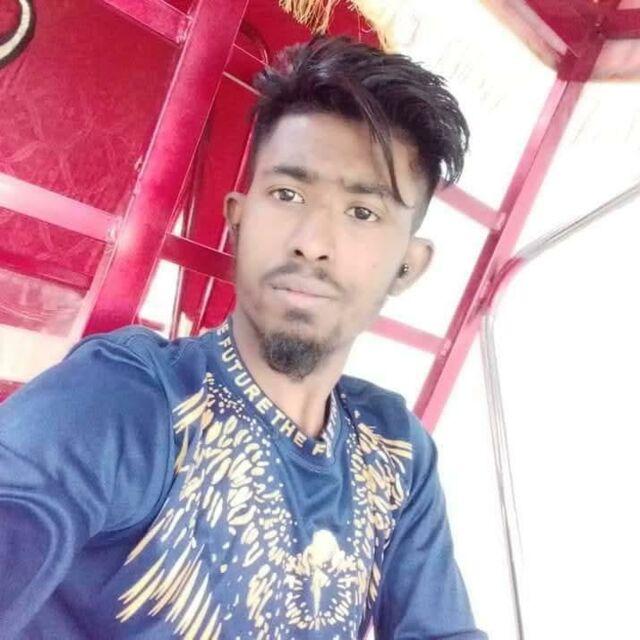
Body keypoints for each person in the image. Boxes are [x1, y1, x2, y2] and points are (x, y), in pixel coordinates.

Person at [0, 36, 486, 639]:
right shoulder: (126, 399)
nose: (312, 242)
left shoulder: (396, 449)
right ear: (238, 219)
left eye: (363, 212)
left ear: (408, 266)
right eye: (288, 194)